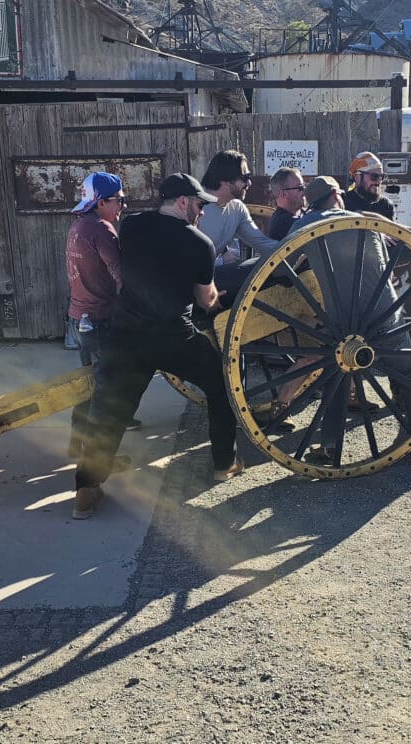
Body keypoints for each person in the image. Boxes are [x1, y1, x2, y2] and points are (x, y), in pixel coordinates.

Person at [72, 173, 242, 519]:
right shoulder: (200, 244)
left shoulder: (132, 225)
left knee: (110, 409)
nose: (201, 213)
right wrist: (215, 299)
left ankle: (86, 491)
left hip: (126, 333)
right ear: (182, 202)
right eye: (198, 205)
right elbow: (206, 299)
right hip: (171, 335)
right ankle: (225, 463)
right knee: (219, 381)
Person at [279, 176, 411, 462]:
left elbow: (279, 269)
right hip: (385, 315)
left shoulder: (304, 226)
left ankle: (330, 446)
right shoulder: (364, 221)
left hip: (342, 323)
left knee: (336, 378)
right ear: (336, 195)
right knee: (407, 374)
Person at [65, 172, 140, 461]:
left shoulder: (78, 227)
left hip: (80, 317)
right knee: (106, 389)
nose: (122, 206)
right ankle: (98, 457)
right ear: (100, 203)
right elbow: (121, 276)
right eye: (119, 200)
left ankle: (77, 442)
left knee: (90, 384)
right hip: (99, 318)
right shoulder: (102, 229)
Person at [198, 149, 280, 266]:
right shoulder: (194, 206)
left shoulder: (237, 209)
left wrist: (296, 250)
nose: (249, 183)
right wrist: (221, 262)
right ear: (225, 181)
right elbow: (180, 260)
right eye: (245, 177)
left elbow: (263, 243)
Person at [343, 151, 395, 218]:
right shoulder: (343, 202)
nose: (378, 181)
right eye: (374, 176)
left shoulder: (386, 205)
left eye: (381, 176)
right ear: (357, 177)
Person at [268, 166, 306, 240]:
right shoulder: (282, 222)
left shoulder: (302, 213)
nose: (304, 191)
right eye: (300, 188)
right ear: (283, 194)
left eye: (304, 187)